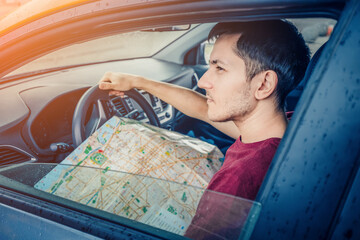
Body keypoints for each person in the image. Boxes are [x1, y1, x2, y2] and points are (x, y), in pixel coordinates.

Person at [99, 20, 310, 237]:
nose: (202, 82)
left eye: (220, 68)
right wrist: (137, 81)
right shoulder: (290, 129)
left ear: (264, 84)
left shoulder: (237, 182)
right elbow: (201, 109)